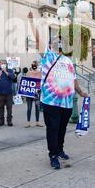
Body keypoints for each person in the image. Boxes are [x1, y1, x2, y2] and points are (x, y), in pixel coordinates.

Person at [28, 12, 88, 170]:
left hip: (67, 102)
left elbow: (73, 78)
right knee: (53, 128)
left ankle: (60, 149)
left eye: (60, 40)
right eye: (55, 39)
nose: (58, 41)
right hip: (50, 101)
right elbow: (38, 39)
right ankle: (53, 155)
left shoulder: (67, 60)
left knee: (62, 128)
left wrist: (81, 92)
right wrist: (31, 22)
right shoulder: (47, 56)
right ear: (51, 44)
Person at [0, 59, 15, 127]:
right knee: (0, 108)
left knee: (9, 108)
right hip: (1, 93)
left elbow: (13, 77)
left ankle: (9, 121)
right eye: (1, 64)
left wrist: (5, 71)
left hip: (9, 93)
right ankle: (1, 121)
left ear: (6, 64)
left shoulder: (10, 70)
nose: (2, 65)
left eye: (3, 63)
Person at [25, 61, 43, 128]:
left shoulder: (40, 73)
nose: (34, 65)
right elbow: (26, 82)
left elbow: (41, 82)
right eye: (33, 64)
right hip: (29, 93)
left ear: (37, 65)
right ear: (31, 65)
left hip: (37, 93)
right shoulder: (28, 73)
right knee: (29, 108)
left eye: (35, 64)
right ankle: (28, 122)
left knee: (37, 108)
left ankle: (37, 122)